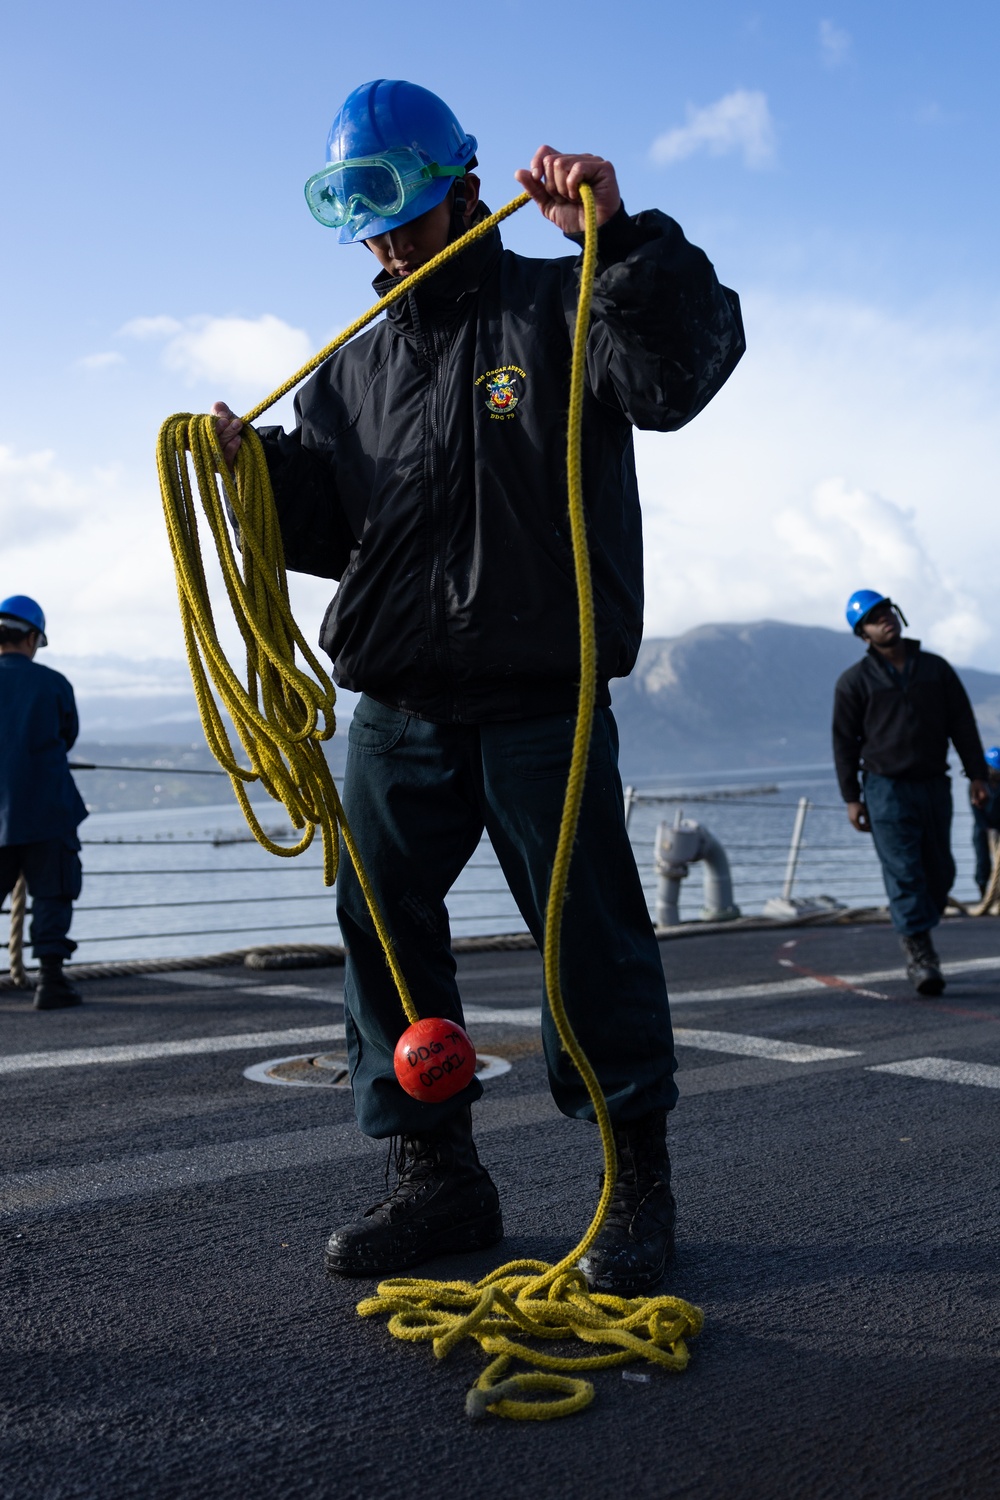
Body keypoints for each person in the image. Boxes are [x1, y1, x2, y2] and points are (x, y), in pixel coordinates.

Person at [212, 79, 745, 1293]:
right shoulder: (345, 377)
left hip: (538, 700)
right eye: (363, 215)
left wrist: (622, 243)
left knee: (584, 944)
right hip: (395, 705)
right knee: (384, 946)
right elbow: (351, 531)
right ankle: (437, 1179)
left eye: (398, 205)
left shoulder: (565, 308)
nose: (383, 237)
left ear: (463, 185)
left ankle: (632, 1186)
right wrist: (257, 476)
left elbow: (679, 376)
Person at [833, 590, 989, 995]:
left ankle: (921, 926)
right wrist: (852, 798)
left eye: (886, 611)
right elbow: (844, 742)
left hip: (935, 785)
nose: (884, 619)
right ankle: (921, 958)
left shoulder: (935, 669)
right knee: (904, 872)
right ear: (862, 634)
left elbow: (963, 724)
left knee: (940, 871)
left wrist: (977, 775)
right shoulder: (854, 682)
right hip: (885, 790)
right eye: (873, 618)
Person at [0, 595, 87, 1009]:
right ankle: (49, 981)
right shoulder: (53, 684)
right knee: (53, 892)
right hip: (47, 806)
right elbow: (67, 735)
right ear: (33, 637)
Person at [972, 746, 1000, 898]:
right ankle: (984, 895)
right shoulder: (979, 786)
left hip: (998, 827)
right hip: (982, 828)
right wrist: (987, 829)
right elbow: (976, 809)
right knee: (983, 862)